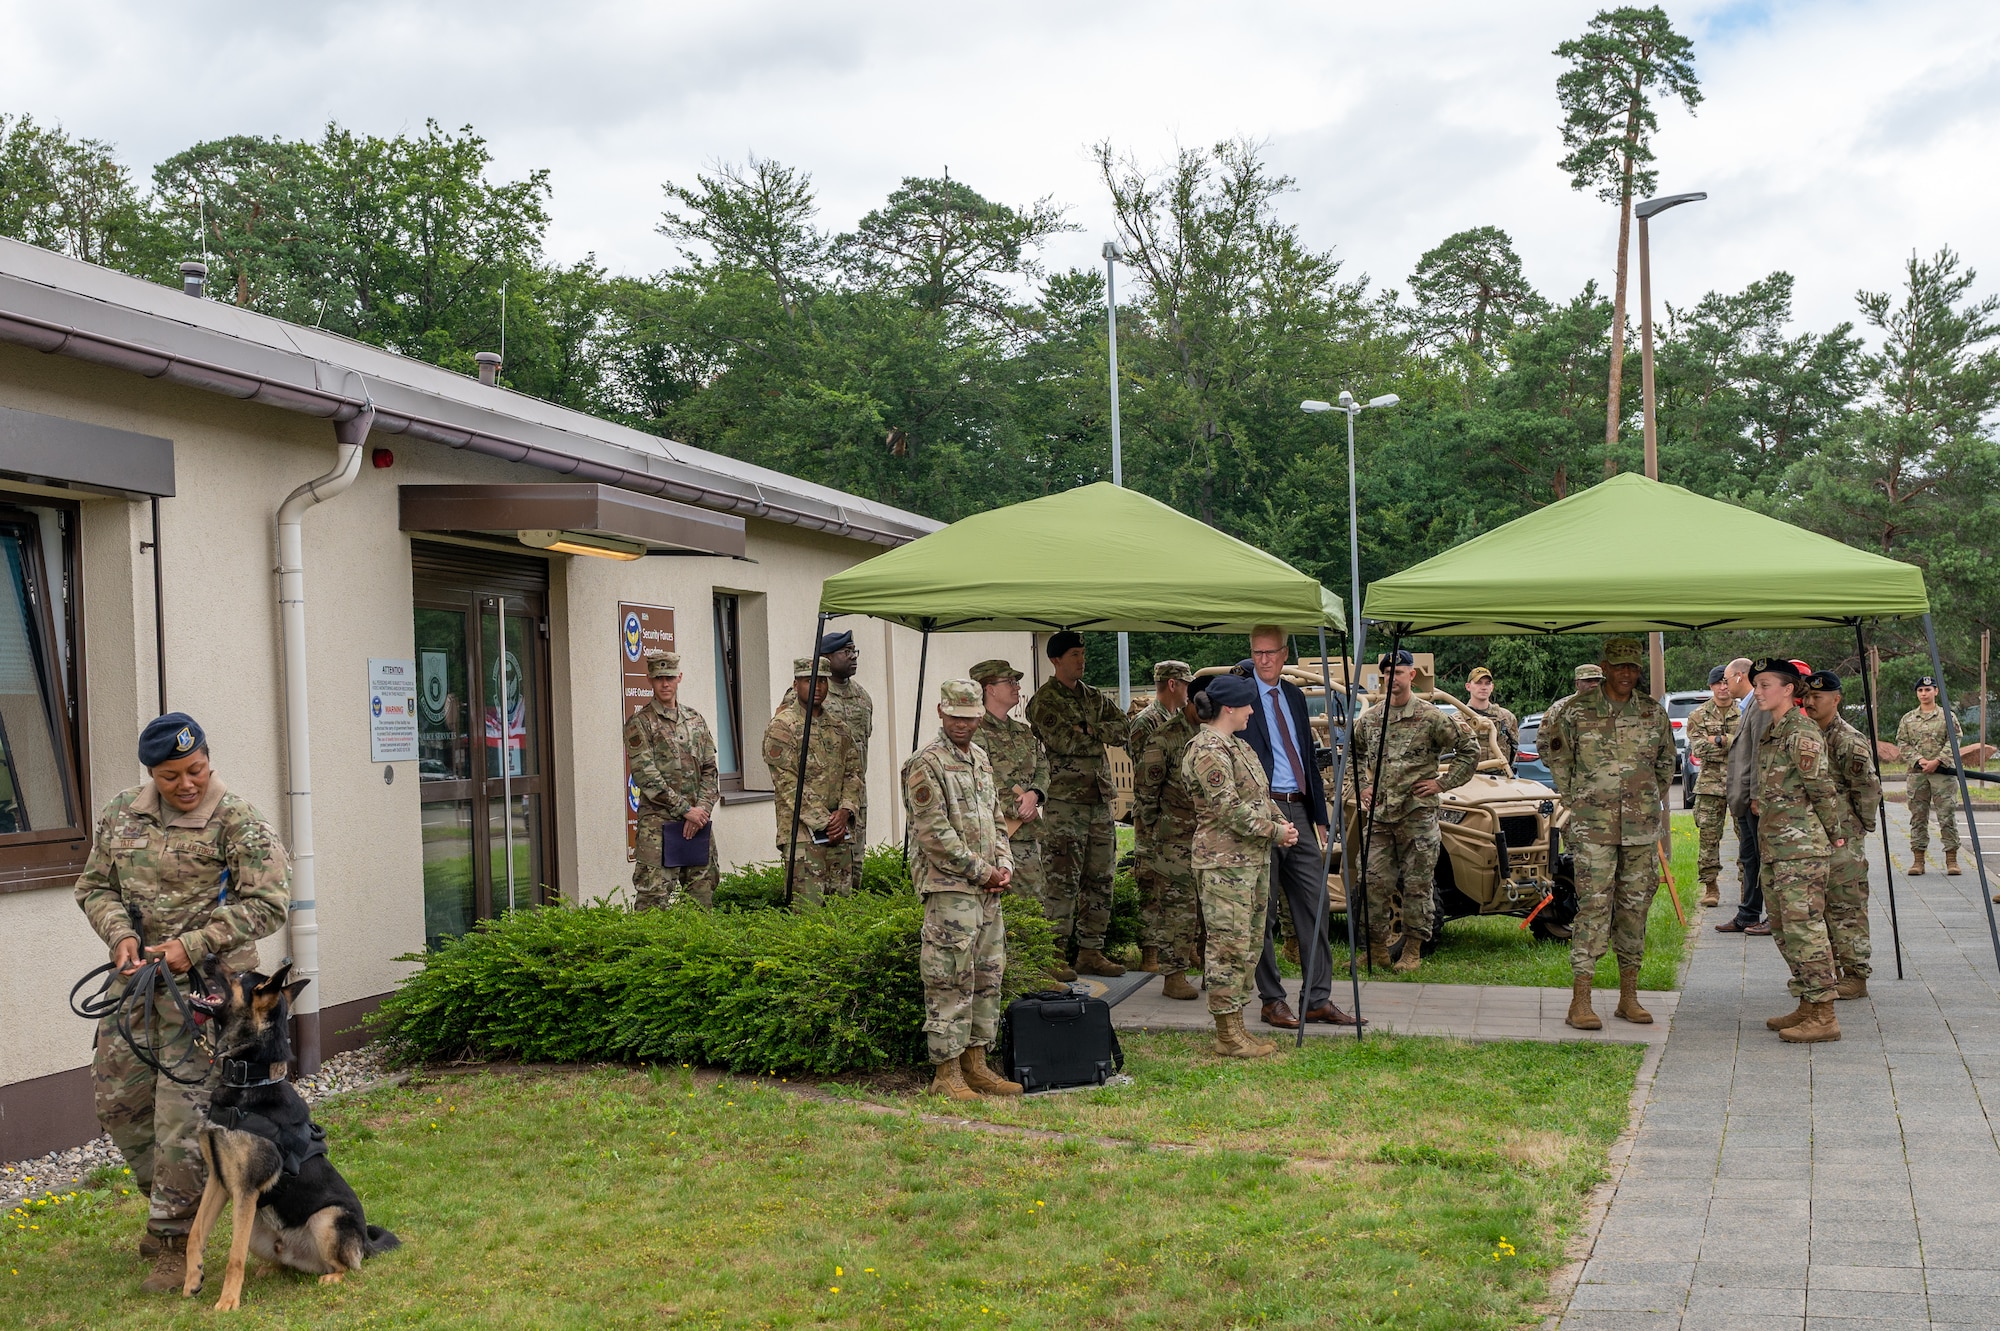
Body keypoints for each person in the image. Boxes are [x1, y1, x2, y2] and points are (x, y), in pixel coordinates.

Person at [74, 713, 291, 1292]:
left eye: (195, 769)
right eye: (172, 775)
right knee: (118, 1105)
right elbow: (94, 886)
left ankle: (174, 1239)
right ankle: (174, 1205)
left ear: (208, 760)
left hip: (211, 998)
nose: (187, 783)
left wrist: (191, 946)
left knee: (182, 1117)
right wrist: (119, 934)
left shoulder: (238, 820)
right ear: (152, 773)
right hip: (136, 988)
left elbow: (269, 903)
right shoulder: (121, 812)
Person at [1546, 638, 1676, 1030]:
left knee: (1634, 910)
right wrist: (1578, 799)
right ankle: (1580, 1001)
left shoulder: (1652, 713)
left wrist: (1645, 801)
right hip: (1592, 830)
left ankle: (1628, 998)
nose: (1627, 673)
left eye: (1633, 667)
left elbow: (1666, 763)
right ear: (1605, 666)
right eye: (1619, 666)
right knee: (1594, 908)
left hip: (1639, 829)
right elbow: (1557, 755)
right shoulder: (1575, 711)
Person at [905, 680, 1021, 1102]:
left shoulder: (980, 760)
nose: (963, 724)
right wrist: (982, 871)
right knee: (948, 976)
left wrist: (1004, 865)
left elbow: (995, 817)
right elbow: (934, 834)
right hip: (950, 888)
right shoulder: (925, 764)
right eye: (955, 716)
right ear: (940, 711)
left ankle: (977, 1066)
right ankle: (946, 1072)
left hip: (988, 889)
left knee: (988, 976)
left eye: (970, 717)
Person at [1239, 627, 1358, 1025]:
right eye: (1257, 653)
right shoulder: (1240, 693)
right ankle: (1272, 999)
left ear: (1285, 653)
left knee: (1316, 903)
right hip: (1261, 810)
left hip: (1300, 810)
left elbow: (1306, 753)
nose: (1264, 660)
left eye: (1271, 653)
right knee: (1264, 909)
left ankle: (1317, 998)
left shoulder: (1291, 694)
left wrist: (1320, 817)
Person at [1183, 672, 1298, 1058]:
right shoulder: (1207, 750)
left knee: (1248, 944)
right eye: (1247, 704)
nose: (1252, 711)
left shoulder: (1238, 746)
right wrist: (1274, 832)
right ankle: (1226, 1032)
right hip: (1223, 865)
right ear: (1229, 708)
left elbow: (1259, 796)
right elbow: (1228, 809)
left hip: (1250, 860)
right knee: (1227, 946)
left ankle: (1237, 1025)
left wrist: (1280, 821)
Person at [1347, 648, 1478, 977]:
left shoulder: (1431, 716)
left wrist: (1443, 783)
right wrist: (1361, 785)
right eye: (1387, 673)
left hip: (1417, 817)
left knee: (1418, 886)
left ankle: (1412, 950)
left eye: (1399, 672)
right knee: (1370, 882)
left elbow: (1469, 749)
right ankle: (1377, 949)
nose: (1393, 679)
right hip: (1379, 817)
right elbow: (1354, 752)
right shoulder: (1372, 718)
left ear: (1412, 675)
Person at [1749, 658, 1848, 1042]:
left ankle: (1825, 1015)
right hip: (1776, 846)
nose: (1758, 691)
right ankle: (1808, 1002)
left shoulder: (1801, 731)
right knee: (1783, 929)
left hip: (1801, 849)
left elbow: (1821, 787)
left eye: (1766, 685)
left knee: (1806, 930)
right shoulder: (1774, 730)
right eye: (1756, 685)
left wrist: (1835, 834)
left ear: (1789, 689)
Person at [1026, 631, 1130, 978]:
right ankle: (1053, 954)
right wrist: (1090, 734)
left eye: (1083, 653)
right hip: (1064, 802)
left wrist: (1089, 728)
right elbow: (1064, 740)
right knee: (1062, 879)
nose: (1081, 660)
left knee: (1101, 878)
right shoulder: (1044, 701)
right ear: (1055, 660)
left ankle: (1091, 951)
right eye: (1074, 654)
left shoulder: (1094, 697)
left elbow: (1123, 728)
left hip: (1098, 800)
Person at [761, 657, 864, 909]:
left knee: (842, 912)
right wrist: (824, 822)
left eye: (822, 681)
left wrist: (845, 811)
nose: (817, 687)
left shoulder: (839, 728)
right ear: (796, 684)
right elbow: (786, 782)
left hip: (840, 834)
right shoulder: (783, 727)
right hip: (803, 835)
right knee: (808, 914)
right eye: (809, 680)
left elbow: (854, 773)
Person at [1804, 670, 1880, 1000]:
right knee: (1819, 905)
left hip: (1843, 834)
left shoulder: (1847, 740)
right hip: (1814, 833)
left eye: (1817, 697)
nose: (1809, 702)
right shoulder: (1806, 733)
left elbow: (1867, 788)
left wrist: (1858, 829)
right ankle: (1830, 968)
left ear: (1836, 699)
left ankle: (1856, 974)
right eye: (1807, 696)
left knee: (1847, 905)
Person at [623, 652, 720, 909]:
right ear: (649, 680)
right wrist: (686, 810)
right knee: (653, 901)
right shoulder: (640, 723)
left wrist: (701, 811)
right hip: (659, 826)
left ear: (679, 678)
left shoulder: (695, 720)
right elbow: (647, 776)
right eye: (658, 678)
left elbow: (710, 770)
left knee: (701, 900)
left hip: (696, 825)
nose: (664, 684)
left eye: (669, 677)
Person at [1133, 675, 1203, 1002]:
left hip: (1207, 836)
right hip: (1174, 838)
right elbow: (1146, 794)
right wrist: (1151, 841)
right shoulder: (1165, 738)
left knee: (1206, 909)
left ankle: (1207, 968)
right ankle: (1173, 975)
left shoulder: (1212, 734)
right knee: (1177, 909)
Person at [1126, 661, 1190, 973]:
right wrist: (1151, 819)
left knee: (1177, 885)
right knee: (1150, 882)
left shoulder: (1180, 720)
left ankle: (1181, 950)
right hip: (1152, 816)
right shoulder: (1146, 722)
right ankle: (1150, 952)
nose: (1189, 690)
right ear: (1173, 684)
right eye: (1186, 683)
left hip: (1177, 819)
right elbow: (1146, 776)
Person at [970, 659, 1048, 911]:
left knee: (1033, 906)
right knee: (996, 908)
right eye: (1010, 681)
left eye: (1017, 681)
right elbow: (980, 780)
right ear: (989, 688)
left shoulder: (1023, 732)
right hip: (991, 836)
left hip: (1024, 835)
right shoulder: (974, 732)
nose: (1017, 686)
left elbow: (1043, 766)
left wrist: (1035, 794)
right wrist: (1018, 806)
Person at [1717, 655, 1771, 935]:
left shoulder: (1759, 707)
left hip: (1753, 800)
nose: (1724, 686)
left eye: (1726, 680)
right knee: (1749, 859)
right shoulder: (1748, 706)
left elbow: (1760, 756)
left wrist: (1756, 796)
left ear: (1740, 676)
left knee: (1764, 859)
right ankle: (1748, 913)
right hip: (1744, 800)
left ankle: (1772, 916)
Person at [817, 629, 874, 892]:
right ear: (826, 658)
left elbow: (864, 741)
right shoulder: (812, 696)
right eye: (846, 652)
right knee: (822, 875)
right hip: (822, 801)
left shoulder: (862, 697)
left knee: (855, 867)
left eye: (854, 651)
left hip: (855, 799)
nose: (853, 657)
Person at [1684, 665, 1741, 910]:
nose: (1723, 687)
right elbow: (1698, 749)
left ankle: (1746, 887)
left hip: (1741, 782)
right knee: (1708, 837)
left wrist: (1718, 739)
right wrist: (1733, 743)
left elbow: (1750, 744)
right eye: (1718, 683)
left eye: (1726, 682)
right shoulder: (1699, 715)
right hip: (1710, 786)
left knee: (1747, 838)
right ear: (1711, 686)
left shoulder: (1745, 710)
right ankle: (1710, 886)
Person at [1897, 675, 1961, 876]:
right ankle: (1918, 861)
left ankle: (1952, 860)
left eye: (1928, 690)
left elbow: (1955, 739)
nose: (1924, 694)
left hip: (1943, 775)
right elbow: (1902, 742)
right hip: (1918, 775)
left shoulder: (1947, 717)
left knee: (1947, 816)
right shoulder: (1908, 718)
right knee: (1918, 817)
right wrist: (1919, 760)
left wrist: (1938, 761)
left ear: (1936, 691)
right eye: (1920, 691)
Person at [1537, 664, 1602, 766]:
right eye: (1589, 681)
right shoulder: (1560, 709)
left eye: (1597, 681)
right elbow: (1543, 741)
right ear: (1577, 684)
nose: (1594, 684)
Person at [1465, 666, 1519, 765]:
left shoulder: (1506, 717)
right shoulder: (1457, 719)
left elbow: (1514, 747)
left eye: (1487, 683)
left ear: (1492, 687)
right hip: (1469, 777)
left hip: (1500, 776)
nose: (1483, 687)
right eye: (1478, 683)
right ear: (1468, 686)